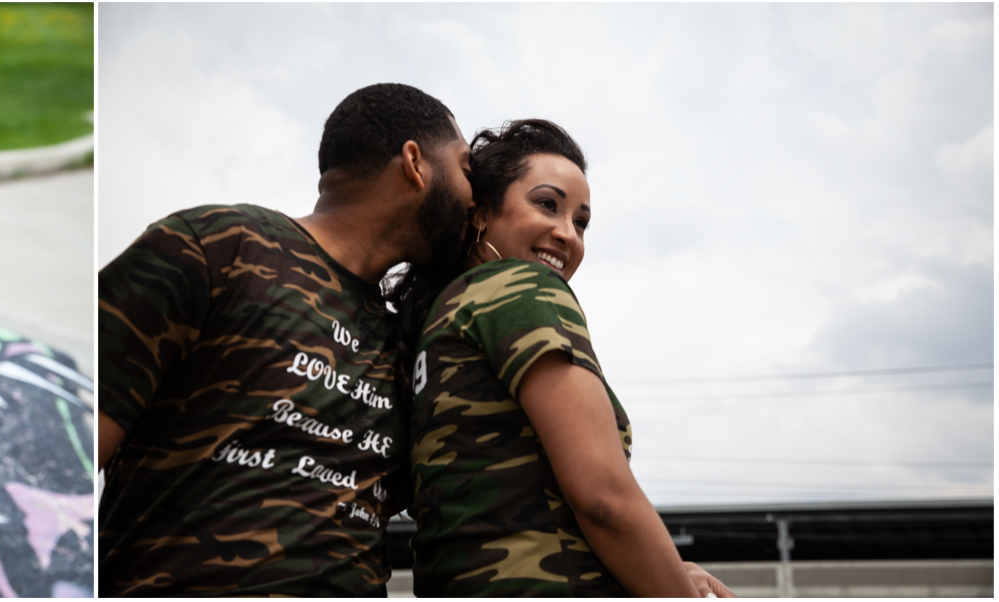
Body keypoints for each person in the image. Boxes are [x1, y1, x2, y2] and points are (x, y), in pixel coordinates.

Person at [97, 82, 471, 596]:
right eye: (467, 170)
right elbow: (75, 445)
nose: (477, 199)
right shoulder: (216, 245)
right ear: (415, 163)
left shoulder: (407, 347)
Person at [395, 119, 735, 597]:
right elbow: (603, 500)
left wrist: (670, 571)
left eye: (581, 222)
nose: (568, 235)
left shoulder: (442, 317)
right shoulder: (523, 287)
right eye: (547, 205)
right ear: (481, 212)